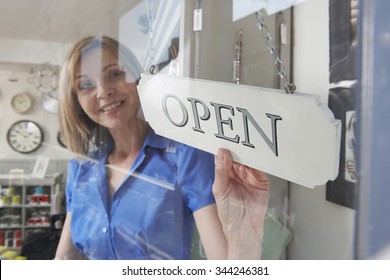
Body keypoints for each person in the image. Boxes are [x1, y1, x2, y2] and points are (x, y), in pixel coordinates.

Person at [54, 35, 270, 260]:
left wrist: (245, 231)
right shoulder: (81, 169)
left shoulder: (185, 156)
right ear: (75, 100)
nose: (102, 91)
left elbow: (224, 263)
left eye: (114, 74)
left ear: (138, 79)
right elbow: (64, 260)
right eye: (86, 85)